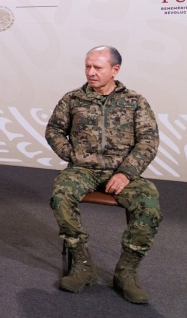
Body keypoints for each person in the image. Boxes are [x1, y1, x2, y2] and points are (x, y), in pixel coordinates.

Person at [45, 45, 161, 304]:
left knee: (149, 205)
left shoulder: (135, 101)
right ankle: (83, 264)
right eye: (87, 66)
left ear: (115, 70)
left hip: (122, 172)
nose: (91, 72)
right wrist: (71, 154)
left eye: (97, 67)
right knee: (61, 196)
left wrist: (126, 173)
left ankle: (126, 272)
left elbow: (148, 140)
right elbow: (53, 129)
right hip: (83, 170)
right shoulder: (72, 99)